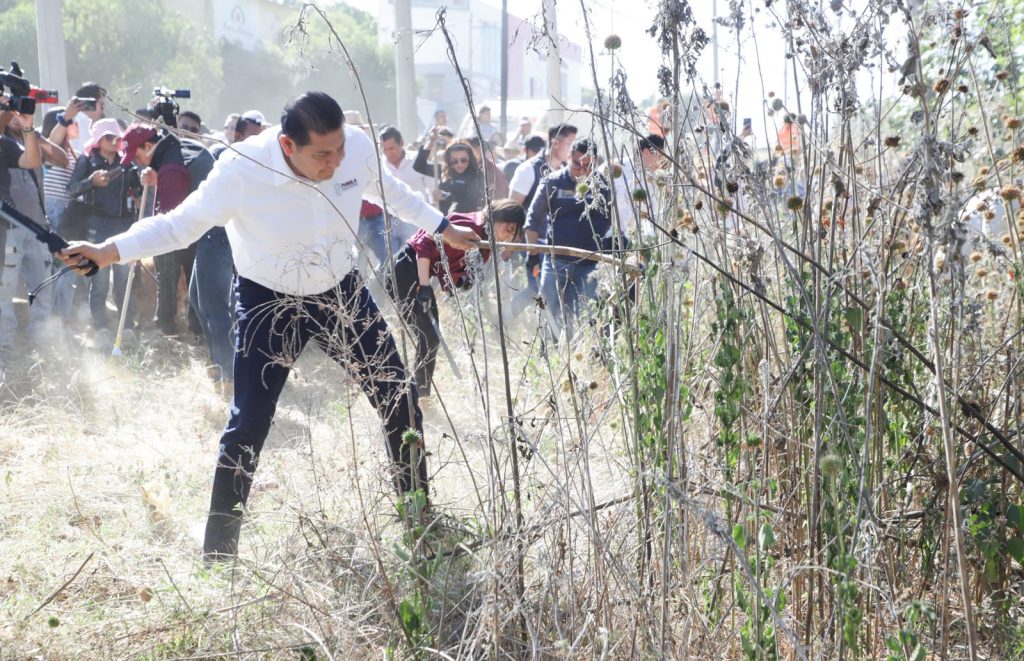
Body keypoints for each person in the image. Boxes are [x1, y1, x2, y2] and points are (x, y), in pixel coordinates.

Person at [60, 91, 478, 561]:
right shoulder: (242, 170)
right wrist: (107, 251)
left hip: (341, 292)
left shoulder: (355, 148)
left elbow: (389, 191)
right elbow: (178, 226)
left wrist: (443, 225)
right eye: (322, 154)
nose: (336, 161)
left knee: (399, 398)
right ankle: (219, 556)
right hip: (269, 301)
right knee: (248, 425)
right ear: (286, 145)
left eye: (339, 148)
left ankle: (420, 523)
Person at [387, 199, 525, 397]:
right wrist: (424, 286)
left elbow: (451, 264)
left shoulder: (485, 245)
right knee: (429, 337)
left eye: (513, 234)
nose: (507, 235)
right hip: (405, 269)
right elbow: (425, 241)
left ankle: (418, 394)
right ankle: (415, 395)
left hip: (419, 276)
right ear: (496, 218)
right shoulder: (472, 227)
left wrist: (460, 281)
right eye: (508, 228)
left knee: (430, 339)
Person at [525, 138, 621, 340]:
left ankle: (591, 351)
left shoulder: (603, 185)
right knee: (548, 307)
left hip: (591, 262)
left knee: (590, 311)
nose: (581, 169)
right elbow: (533, 219)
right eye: (577, 164)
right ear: (568, 157)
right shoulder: (553, 182)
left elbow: (615, 219)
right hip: (556, 260)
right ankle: (548, 351)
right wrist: (532, 254)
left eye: (587, 165)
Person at [66, 118, 142, 336]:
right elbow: (71, 189)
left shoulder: (127, 164)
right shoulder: (87, 161)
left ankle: (126, 327)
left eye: (117, 137)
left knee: (123, 282)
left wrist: (139, 191)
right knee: (98, 282)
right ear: (98, 139)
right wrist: (91, 182)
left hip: (124, 226)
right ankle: (100, 327)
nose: (114, 141)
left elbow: (138, 191)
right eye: (108, 137)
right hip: (97, 226)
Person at [120, 123, 194, 335]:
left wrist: (146, 242)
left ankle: (170, 331)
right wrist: (156, 179)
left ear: (149, 146)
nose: (138, 162)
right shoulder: (168, 157)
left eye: (137, 156)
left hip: (181, 237)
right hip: (187, 235)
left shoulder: (170, 168)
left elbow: (171, 219)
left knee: (171, 283)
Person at [413, 139, 485, 215]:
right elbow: (419, 166)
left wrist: (444, 196)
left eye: (463, 160)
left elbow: (472, 201)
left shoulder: (477, 175)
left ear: (470, 159)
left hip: (466, 221)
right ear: (448, 160)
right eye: (454, 161)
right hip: (444, 220)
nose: (459, 164)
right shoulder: (444, 171)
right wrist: (429, 144)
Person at [68, 82, 106, 154]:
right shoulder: (76, 120)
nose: (103, 109)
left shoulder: (86, 121)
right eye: (102, 104)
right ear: (90, 102)